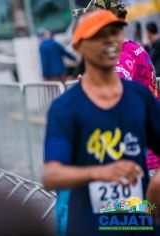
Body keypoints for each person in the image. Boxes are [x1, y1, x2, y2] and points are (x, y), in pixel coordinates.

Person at [42, 10, 160, 236]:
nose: (109, 40)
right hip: (90, 223)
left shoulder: (139, 98)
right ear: (78, 47)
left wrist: (157, 182)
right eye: (98, 35)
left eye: (115, 32)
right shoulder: (65, 108)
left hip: (138, 216)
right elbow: (51, 175)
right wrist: (100, 172)